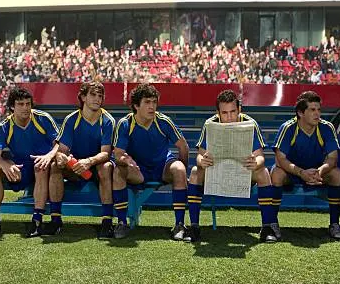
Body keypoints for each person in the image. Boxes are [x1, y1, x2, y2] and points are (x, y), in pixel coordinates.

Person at [186, 89, 278, 243]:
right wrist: (202, 161)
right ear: (218, 112)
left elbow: (260, 156)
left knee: (263, 173)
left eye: (233, 112)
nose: (229, 118)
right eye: (224, 113)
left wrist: (256, 163)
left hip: (243, 173)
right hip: (216, 172)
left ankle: (267, 227)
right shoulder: (210, 124)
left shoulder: (250, 123)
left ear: (239, 110)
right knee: (196, 171)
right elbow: (200, 155)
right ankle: (194, 227)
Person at [0, 87, 58, 238]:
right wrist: (5, 165)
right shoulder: (4, 126)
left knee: (40, 166)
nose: (25, 108)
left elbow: (60, 143)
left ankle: (37, 221)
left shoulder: (43, 118)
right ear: (12, 107)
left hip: (44, 164)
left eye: (28, 104)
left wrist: (49, 155)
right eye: (20, 104)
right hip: (21, 167)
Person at [112, 84, 189, 239]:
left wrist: (181, 172)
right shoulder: (125, 123)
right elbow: (118, 154)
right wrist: (126, 161)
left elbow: (183, 147)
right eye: (147, 102)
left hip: (162, 167)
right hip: (137, 169)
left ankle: (179, 224)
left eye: (154, 102)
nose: (152, 106)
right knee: (117, 171)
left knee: (179, 169)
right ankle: (121, 223)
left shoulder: (163, 121)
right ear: (136, 105)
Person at [270, 91, 340, 240]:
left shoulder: (327, 127)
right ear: (300, 113)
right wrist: (301, 172)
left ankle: (335, 224)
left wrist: (320, 171)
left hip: (317, 173)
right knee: (276, 174)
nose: (317, 113)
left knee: (336, 174)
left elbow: (333, 158)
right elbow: (281, 160)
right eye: (312, 110)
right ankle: (272, 224)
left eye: (319, 109)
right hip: (293, 172)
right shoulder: (288, 128)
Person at [48, 81, 115, 238]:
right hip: (76, 166)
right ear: (83, 97)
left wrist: (89, 161)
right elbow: (61, 150)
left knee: (105, 167)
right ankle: (55, 220)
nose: (97, 99)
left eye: (100, 96)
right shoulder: (71, 119)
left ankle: (107, 222)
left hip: (96, 166)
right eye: (93, 94)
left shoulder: (107, 120)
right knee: (54, 166)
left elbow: (105, 153)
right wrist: (61, 158)